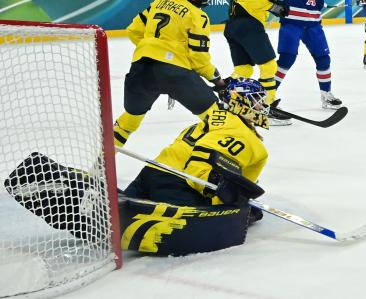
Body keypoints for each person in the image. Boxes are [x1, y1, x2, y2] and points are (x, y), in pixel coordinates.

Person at [5, 79, 268, 256]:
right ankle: (114, 208)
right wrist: (222, 198)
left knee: (121, 206)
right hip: (179, 185)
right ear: (240, 102)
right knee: (230, 219)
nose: (262, 107)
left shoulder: (215, 118)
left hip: (153, 174)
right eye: (257, 101)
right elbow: (206, 160)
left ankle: (82, 191)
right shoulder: (243, 134)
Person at [113, 0, 226, 147]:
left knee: (128, 122)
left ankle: (99, 168)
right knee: (217, 118)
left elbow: (134, 30)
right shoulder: (198, 15)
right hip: (175, 74)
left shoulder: (159, 1)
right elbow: (199, 60)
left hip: (141, 69)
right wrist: (218, 81)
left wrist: (152, 48)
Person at [225, 0, 291, 125]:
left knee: (243, 69)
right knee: (269, 66)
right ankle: (268, 107)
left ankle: (231, 98)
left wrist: (270, 3)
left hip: (233, 25)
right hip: (248, 25)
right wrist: (273, 7)